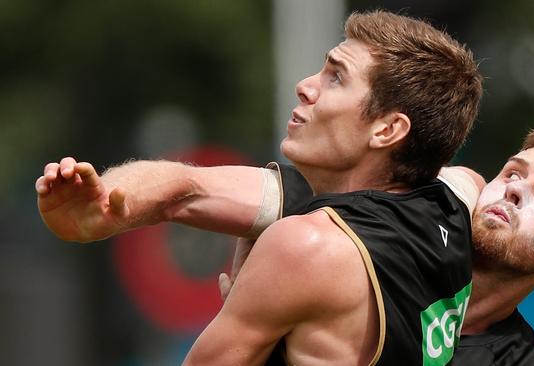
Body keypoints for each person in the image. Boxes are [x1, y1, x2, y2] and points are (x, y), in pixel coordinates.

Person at [36, 10, 483, 366]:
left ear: (387, 130)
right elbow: (187, 186)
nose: (306, 86)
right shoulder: (458, 200)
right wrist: (105, 202)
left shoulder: (307, 246)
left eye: (336, 77)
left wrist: (258, 315)